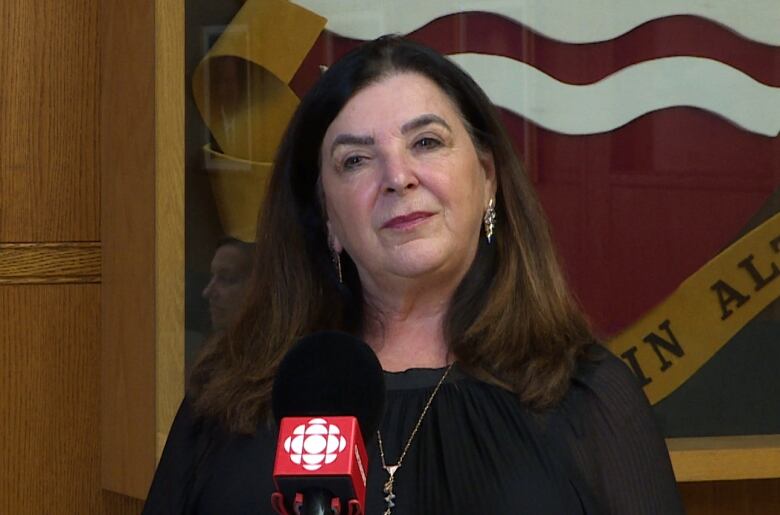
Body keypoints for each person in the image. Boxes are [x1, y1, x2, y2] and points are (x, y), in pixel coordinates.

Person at [143, 36, 684, 514]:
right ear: (327, 214)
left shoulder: (585, 395)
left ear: (488, 176)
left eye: (426, 142)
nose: (397, 177)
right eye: (355, 160)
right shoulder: (231, 396)